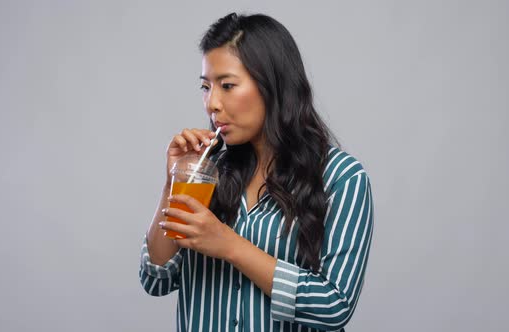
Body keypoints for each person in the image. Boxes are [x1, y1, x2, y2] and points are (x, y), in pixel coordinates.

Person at [139, 12, 374, 331]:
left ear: (271, 85)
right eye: (206, 87)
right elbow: (156, 277)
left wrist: (230, 246)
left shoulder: (341, 177)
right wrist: (173, 182)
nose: (212, 103)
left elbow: (333, 308)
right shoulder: (209, 173)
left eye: (227, 85)